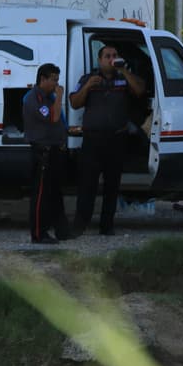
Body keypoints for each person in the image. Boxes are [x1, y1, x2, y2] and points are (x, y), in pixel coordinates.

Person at [69, 44, 146, 235]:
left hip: (116, 139)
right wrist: (87, 87)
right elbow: (75, 103)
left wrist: (124, 71)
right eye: (107, 56)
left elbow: (140, 90)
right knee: (87, 185)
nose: (112, 58)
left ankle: (107, 226)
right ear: (100, 60)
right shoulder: (88, 79)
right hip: (92, 140)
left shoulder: (124, 79)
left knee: (112, 186)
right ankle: (80, 225)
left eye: (115, 55)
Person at [22, 62, 74, 245]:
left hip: (55, 150)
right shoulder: (34, 98)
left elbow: (60, 121)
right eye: (53, 80)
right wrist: (60, 96)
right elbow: (53, 117)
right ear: (42, 79)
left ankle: (61, 229)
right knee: (41, 195)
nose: (56, 84)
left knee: (55, 193)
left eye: (57, 80)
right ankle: (38, 233)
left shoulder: (49, 97)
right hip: (41, 152)